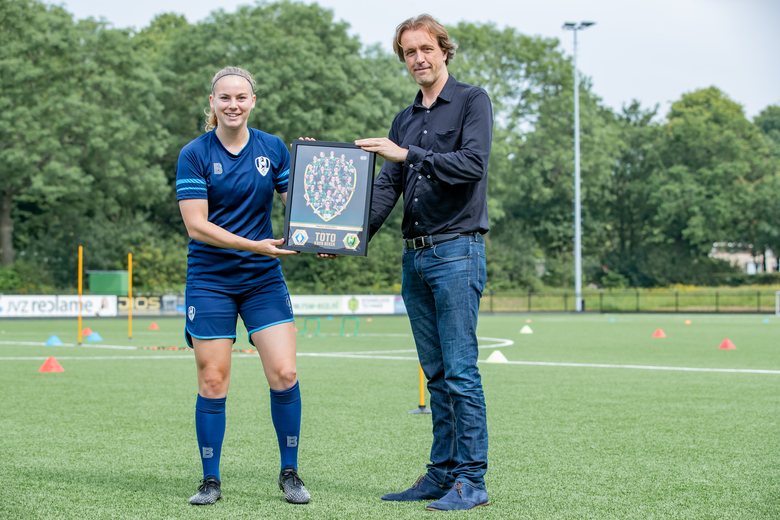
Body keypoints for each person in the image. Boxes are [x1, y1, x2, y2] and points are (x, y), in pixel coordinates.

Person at [355, 14, 493, 511]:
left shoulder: (473, 101)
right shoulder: (405, 118)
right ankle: (440, 475)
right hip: (414, 259)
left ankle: (471, 480)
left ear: (443, 50)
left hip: (457, 251)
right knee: (435, 374)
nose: (418, 59)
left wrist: (407, 153)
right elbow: (387, 187)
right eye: (409, 52)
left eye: (425, 49)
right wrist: (348, 235)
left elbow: (472, 165)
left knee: (459, 372)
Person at [176, 66, 310, 506]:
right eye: (224, 98)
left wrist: (312, 166)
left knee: (285, 373)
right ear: (211, 104)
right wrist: (256, 244)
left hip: (261, 280)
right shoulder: (194, 154)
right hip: (211, 280)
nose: (233, 104)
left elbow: (302, 211)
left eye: (241, 97)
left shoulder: (273, 149)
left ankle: (289, 471)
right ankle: (210, 479)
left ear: (253, 101)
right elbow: (197, 226)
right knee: (213, 380)